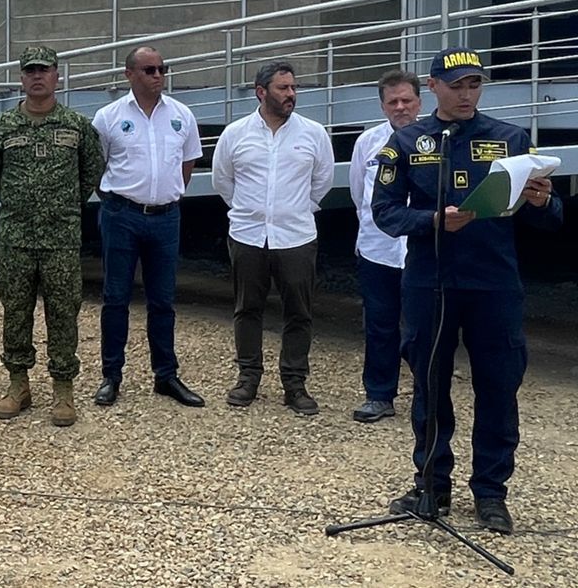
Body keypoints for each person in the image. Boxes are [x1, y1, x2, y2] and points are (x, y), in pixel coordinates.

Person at [372, 47, 562, 536]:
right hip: (430, 281)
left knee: (498, 387)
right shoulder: (408, 141)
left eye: (474, 85)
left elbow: (550, 221)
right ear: (432, 86)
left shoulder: (510, 138)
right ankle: (431, 485)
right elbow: (386, 212)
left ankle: (492, 493)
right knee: (430, 387)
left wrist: (542, 202)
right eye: (455, 85)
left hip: (494, 282)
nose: (465, 94)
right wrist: (432, 220)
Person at [0, 46, 105, 427]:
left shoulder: (76, 126)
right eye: (30, 70)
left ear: (56, 75)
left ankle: (63, 389)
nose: (37, 76)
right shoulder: (3, 126)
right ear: (21, 76)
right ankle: (18, 384)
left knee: (63, 313)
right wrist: (19, 204)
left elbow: (92, 171)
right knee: (15, 312)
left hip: (60, 238)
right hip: (16, 236)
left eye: (44, 70)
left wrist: (63, 206)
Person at [210, 60, 334, 415]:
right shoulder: (235, 134)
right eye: (283, 88)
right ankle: (248, 377)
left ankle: (294, 383)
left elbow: (321, 182)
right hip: (248, 236)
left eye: (294, 88)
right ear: (261, 92)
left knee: (299, 311)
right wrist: (252, 212)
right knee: (247, 308)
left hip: (296, 236)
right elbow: (223, 182)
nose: (291, 94)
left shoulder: (313, 133)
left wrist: (294, 210)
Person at [89, 46, 205, 408]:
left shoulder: (181, 115)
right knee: (115, 298)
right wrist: (119, 200)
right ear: (130, 75)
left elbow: (187, 163)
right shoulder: (108, 117)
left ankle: (166, 375)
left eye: (161, 69)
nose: (157, 76)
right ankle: (111, 375)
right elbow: (96, 166)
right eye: (149, 70)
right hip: (121, 215)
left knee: (163, 300)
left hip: (166, 218)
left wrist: (167, 194)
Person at [347, 70, 422, 423]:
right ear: (382, 106)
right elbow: (358, 193)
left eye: (406, 100)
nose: (400, 107)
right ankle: (379, 395)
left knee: (425, 327)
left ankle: (427, 394)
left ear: (419, 102)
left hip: (423, 249)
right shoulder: (368, 142)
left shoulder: (435, 140)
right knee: (380, 325)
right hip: (378, 249)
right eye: (392, 102)